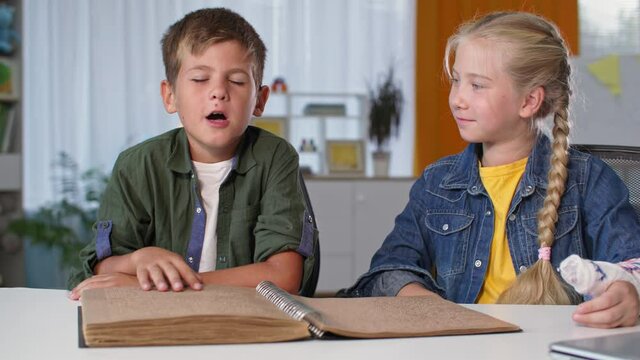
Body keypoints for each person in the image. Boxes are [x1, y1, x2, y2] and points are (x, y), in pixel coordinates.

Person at [343, 11, 640, 328]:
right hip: (462, 345)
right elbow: (387, 268)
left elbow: (632, 262)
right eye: (457, 80)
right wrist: (425, 303)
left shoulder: (587, 179)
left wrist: (628, 291)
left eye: (477, 85)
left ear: (529, 101)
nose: (458, 99)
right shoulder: (437, 183)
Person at [69, 8, 317, 299]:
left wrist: (179, 284)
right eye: (200, 79)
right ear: (170, 95)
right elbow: (99, 271)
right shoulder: (136, 165)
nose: (218, 92)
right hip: (157, 324)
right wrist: (137, 260)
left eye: (236, 81)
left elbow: (284, 276)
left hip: (243, 325)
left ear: (259, 101)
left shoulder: (275, 157)